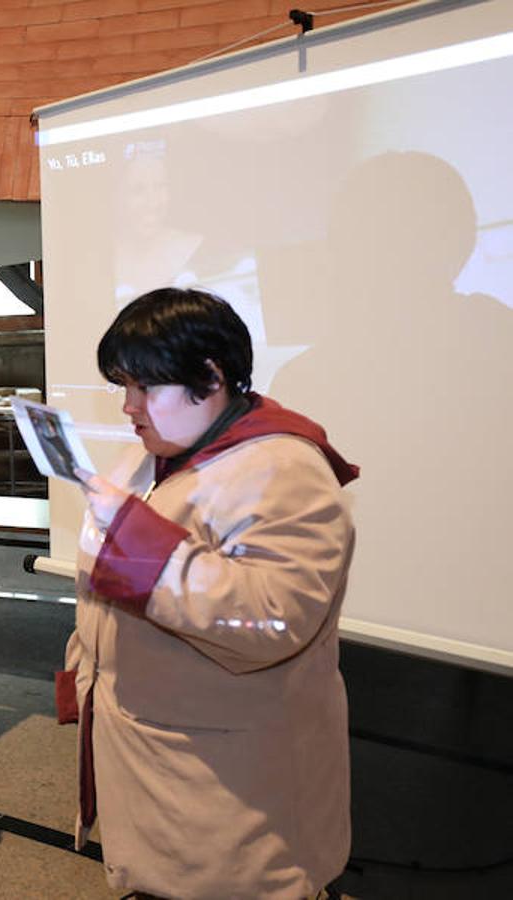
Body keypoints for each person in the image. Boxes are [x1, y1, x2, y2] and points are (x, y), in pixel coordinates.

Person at [65, 287, 358, 899]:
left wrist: (142, 552)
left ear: (211, 378)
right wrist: (83, 668)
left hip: (231, 789)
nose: (128, 407)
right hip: (153, 759)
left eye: (145, 388)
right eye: (124, 386)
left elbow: (273, 623)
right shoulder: (148, 460)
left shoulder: (285, 470)